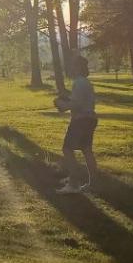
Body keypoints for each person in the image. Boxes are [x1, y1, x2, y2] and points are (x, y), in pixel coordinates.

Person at [54, 55, 98, 194]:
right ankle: (94, 183)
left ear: (77, 67)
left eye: (72, 66)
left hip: (81, 120)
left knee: (67, 149)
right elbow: (81, 100)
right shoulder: (84, 82)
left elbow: (77, 104)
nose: (70, 68)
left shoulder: (79, 82)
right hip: (90, 119)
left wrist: (62, 105)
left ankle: (74, 184)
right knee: (86, 150)